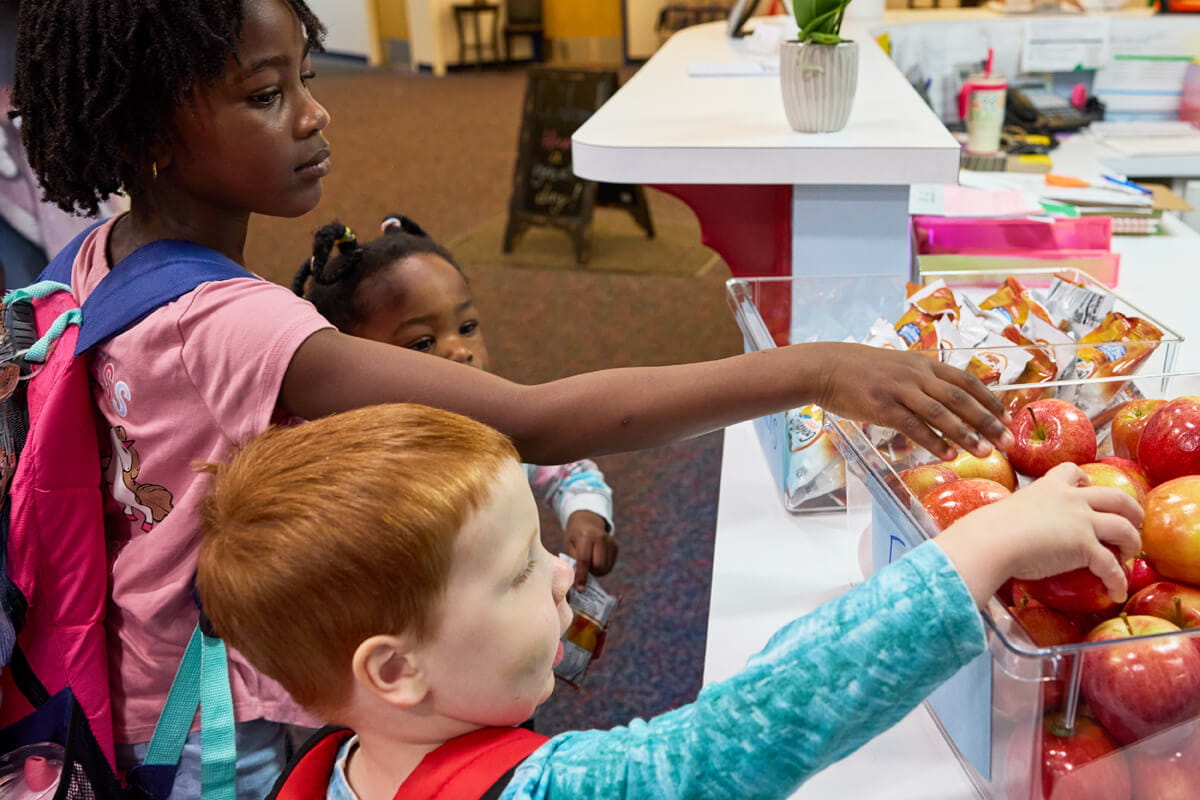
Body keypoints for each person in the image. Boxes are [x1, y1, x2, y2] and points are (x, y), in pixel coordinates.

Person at [11, 0, 1016, 792]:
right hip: (223, 720)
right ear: (149, 131)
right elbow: (532, 414)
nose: (316, 114)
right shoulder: (232, 324)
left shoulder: (106, 258)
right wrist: (817, 369)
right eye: (266, 95)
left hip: (141, 669)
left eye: (306, 80)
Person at [195, 403, 1142, 800]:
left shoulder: (332, 769)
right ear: (395, 670)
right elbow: (751, 728)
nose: (564, 574)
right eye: (523, 571)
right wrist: (984, 544)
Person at [293, 214, 617, 589]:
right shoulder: (352, 466)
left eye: (467, 328)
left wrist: (586, 515)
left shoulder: (497, 420)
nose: (461, 351)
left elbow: (568, 468)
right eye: (422, 342)